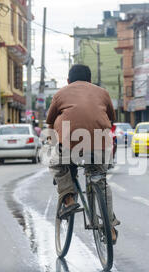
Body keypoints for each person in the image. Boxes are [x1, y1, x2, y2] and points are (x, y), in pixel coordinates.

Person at [46, 64, 120, 243]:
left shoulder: (61, 93)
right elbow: (112, 118)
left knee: (57, 164)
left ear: (68, 80)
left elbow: (49, 120)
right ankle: (109, 228)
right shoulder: (102, 92)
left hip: (71, 145)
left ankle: (69, 199)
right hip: (99, 144)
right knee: (101, 181)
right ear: (90, 80)